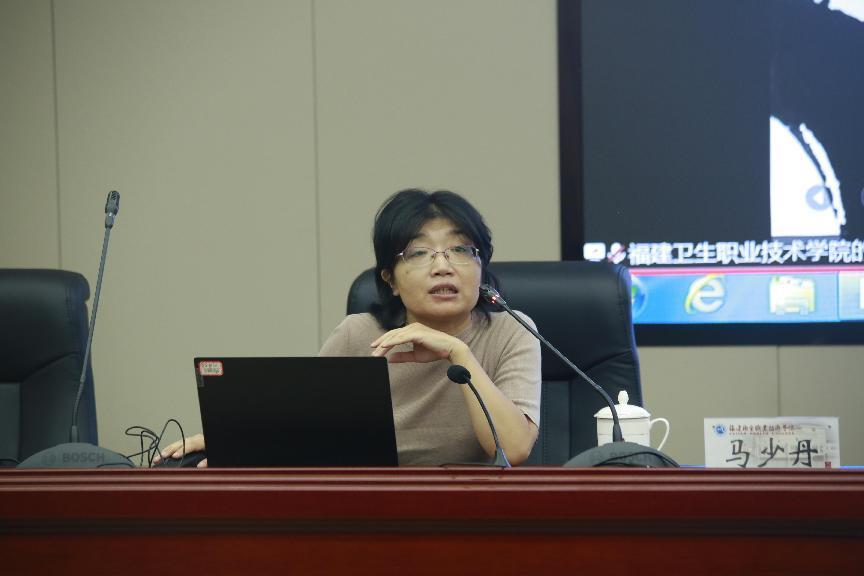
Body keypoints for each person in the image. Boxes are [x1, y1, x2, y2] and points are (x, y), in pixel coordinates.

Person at [156, 189, 541, 466]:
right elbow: (305, 427)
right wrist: (233, 444)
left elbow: (512, 449)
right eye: (419, 253)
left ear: (481, 266)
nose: (443, 266)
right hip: (370, 504)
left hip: (464, 509)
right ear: (390, 279)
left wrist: (459, 352)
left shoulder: (511, 331)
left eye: (460, 250)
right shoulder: (361, 333)